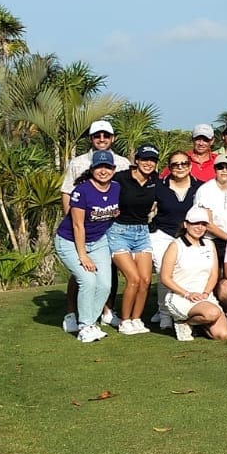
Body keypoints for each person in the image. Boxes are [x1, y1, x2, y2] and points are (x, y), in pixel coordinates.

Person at [56, 150, 121, 343]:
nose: (103, 171)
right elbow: (78, 225)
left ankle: (90, 322)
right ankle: (84, 327)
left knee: (104, 284)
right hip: (69, 241)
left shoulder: (117, 188)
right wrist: (83, 255)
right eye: (99, 167)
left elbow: (115, 208)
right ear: (92, 169)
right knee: (87, 280)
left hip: (99, 240)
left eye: (107, 167)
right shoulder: (81, 191)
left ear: (114, 169)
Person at [107, 144, 160, 334]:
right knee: (133, 278)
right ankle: (124, 320)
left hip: (142, 232)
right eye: (145, 159)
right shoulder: (120, 178)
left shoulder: (155, 180)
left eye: (152, 160)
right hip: (119, 232)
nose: (148, 163)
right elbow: (101, 190)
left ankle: (136, 319)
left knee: (145, 279)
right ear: (136, 160)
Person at [148, 150, 200, 329]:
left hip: (189, 235)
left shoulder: (200, 187)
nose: (180, 167)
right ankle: (164, 314)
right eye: (175, 165)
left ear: (190, 165)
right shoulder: (159, 186)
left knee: (186, 272)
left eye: (184, 163)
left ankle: (182, 308)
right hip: (162, 233)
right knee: (164, 272)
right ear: (169, 168)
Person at [160, 208, 227, 342]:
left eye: (203, 224)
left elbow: (214, 274)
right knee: (212, 313)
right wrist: (187, 294)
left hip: (205, 297)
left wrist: (206, 293)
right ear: (186, 224)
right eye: (195, 223)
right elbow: (165, 277)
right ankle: (183, 322)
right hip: (181, 297)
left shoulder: (209, 244)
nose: (199, 228)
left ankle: (195, 324)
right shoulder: (175, 246)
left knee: (223, 335)